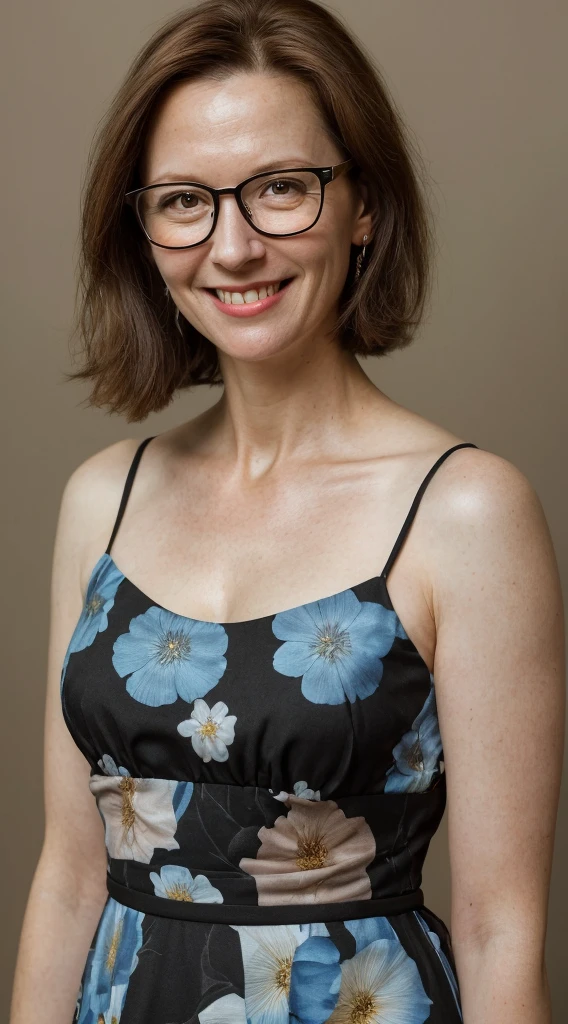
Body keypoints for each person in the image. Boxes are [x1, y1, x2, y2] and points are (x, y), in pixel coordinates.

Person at [9, 1, 565, 1022]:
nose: (233, 246)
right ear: (142, 228)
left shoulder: (467, 511)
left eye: (279, 188)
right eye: (185, 199)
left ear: (362, 206)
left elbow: (499, 928)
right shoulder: (102, 495)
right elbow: (68, 881)